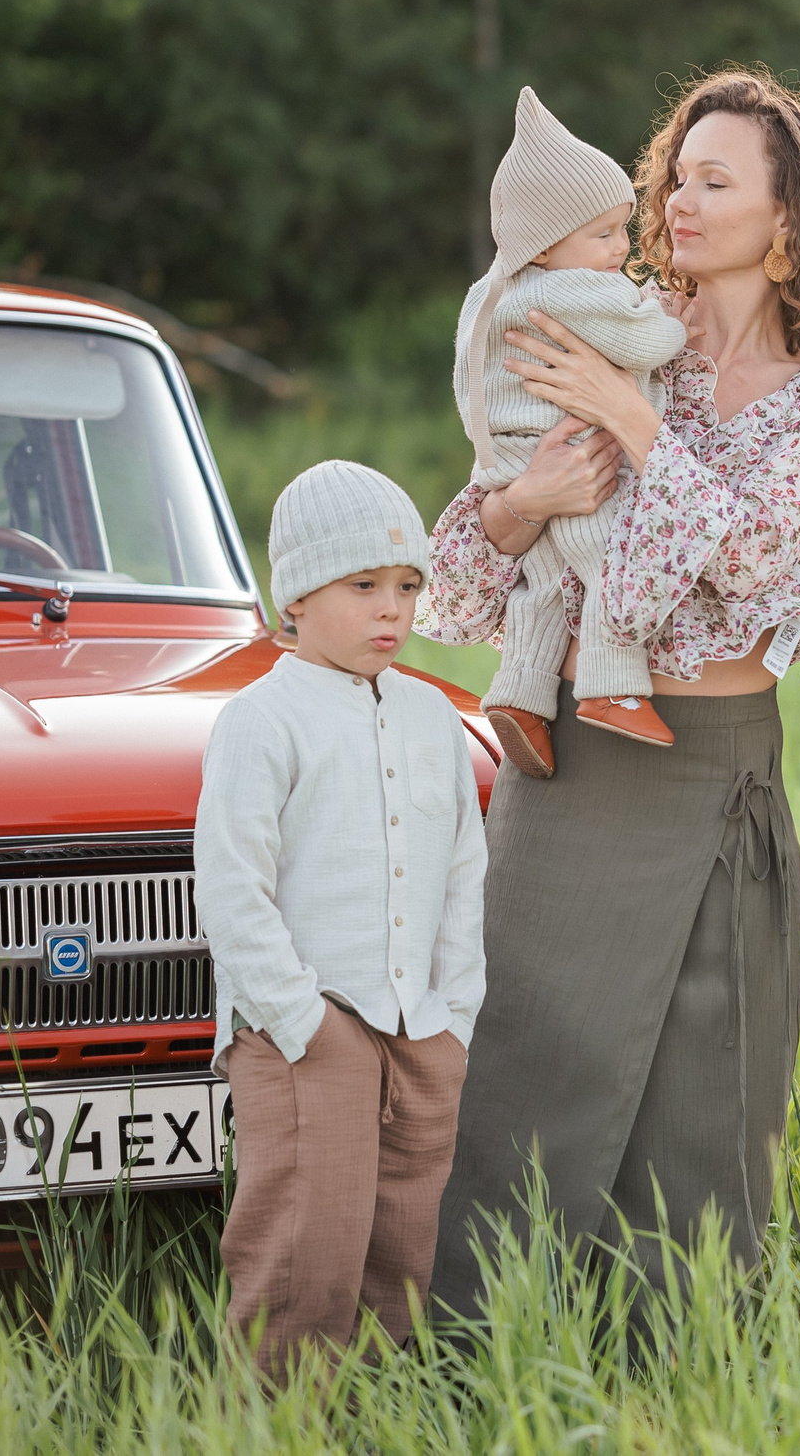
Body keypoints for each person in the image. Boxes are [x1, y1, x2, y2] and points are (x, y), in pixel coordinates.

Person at [422, 69, 800, 1312]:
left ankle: (673, 1374)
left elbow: (753, 561)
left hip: (709, 758)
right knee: (520, 1074)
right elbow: (459, 578)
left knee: (699, 1098)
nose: (677, 198)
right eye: (675, 174)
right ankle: (482, 1356)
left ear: (787, 219)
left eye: (713, 180)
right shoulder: (601, 326)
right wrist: (524, 506)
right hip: (563, 754)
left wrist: (636, 425)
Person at [193, 459, 485, 1373]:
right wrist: (300, 1020)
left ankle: (372, 1405)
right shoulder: (262, 720)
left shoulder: (433, 716)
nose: (390, 610)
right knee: (302, 1247)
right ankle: (276, 1416)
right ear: (298, 596)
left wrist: (456, 1018)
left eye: (406, 586)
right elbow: (234, 885)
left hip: (420, 1028)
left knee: (401, 1245)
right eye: (363, 586)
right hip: (306, 1035)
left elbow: (464, 873)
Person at [453, 86, 691, 763]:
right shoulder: (572, 288)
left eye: (622, 227)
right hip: (576, 449)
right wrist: (673, 317)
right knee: (608, 552)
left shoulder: (492, 293)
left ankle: (519, 695)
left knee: (545, 581)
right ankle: (612, 687)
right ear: (545, 243)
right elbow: (643, 342)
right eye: (604, 232)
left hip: (515, 457)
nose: (622, 246)